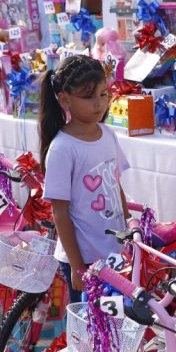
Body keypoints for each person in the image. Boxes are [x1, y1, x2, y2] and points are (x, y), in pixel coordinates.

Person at [40, 55, 131, 303]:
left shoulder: (108, 134)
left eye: (103, 94)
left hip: (115, 253)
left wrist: (130, 233)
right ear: (64, 99)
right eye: (88, 96)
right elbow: (60, 212)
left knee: (116, 325)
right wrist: (78, 266)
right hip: (85, 259)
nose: (99, 103)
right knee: (91, 331)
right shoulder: (63, 148)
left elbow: (115, 185)